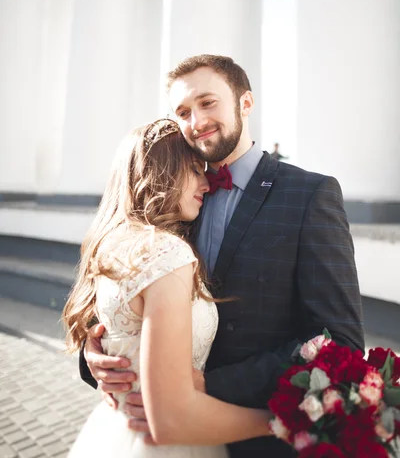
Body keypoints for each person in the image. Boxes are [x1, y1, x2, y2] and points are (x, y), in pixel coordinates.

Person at [81, 55, 365, 458]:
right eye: (182, 111)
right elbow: (132, 292)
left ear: (245, 103)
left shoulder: (310, 195)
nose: (196, 121)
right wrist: (98, 354)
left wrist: (210, 386)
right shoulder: (174, 197)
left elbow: (340, 341)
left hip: (264, 437)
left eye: (207, 102)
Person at [63, 118, 279, 458]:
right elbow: (172, 418)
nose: (207, 184)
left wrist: (100, 350)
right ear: (161, 173)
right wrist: (279, 425)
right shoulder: (167, 251)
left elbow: (121, 330)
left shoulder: (113, 244)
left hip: (114, 432)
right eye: (194, 170)